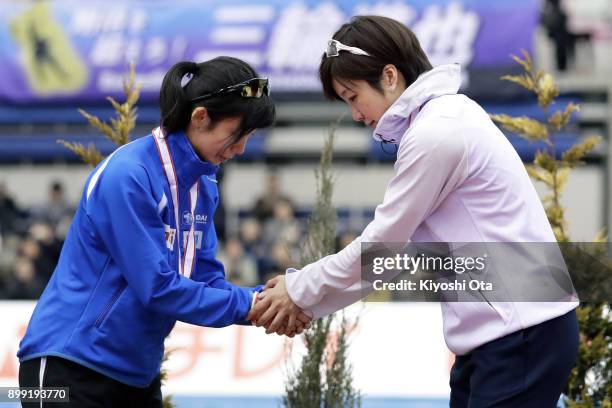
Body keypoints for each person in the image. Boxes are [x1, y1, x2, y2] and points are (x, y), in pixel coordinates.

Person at [248, 16, 580, 407]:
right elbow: (388, 258)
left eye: (352, 96)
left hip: (520, 332)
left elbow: (381, 251)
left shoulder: (435, 132)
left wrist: (299, 291)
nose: (354, 114)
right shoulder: (442, 118)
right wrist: (303, 297)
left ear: (389, 76)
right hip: (507, 333)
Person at [17, 57, 310, 407]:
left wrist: (271, 302)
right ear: (200, 117)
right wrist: (253, 304)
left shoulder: (203, 184)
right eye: (237, 134)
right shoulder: (130, 175)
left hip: (135, 374)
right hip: (65, 365)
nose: (241, 149)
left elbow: (205, 280)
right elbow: (157, 288)